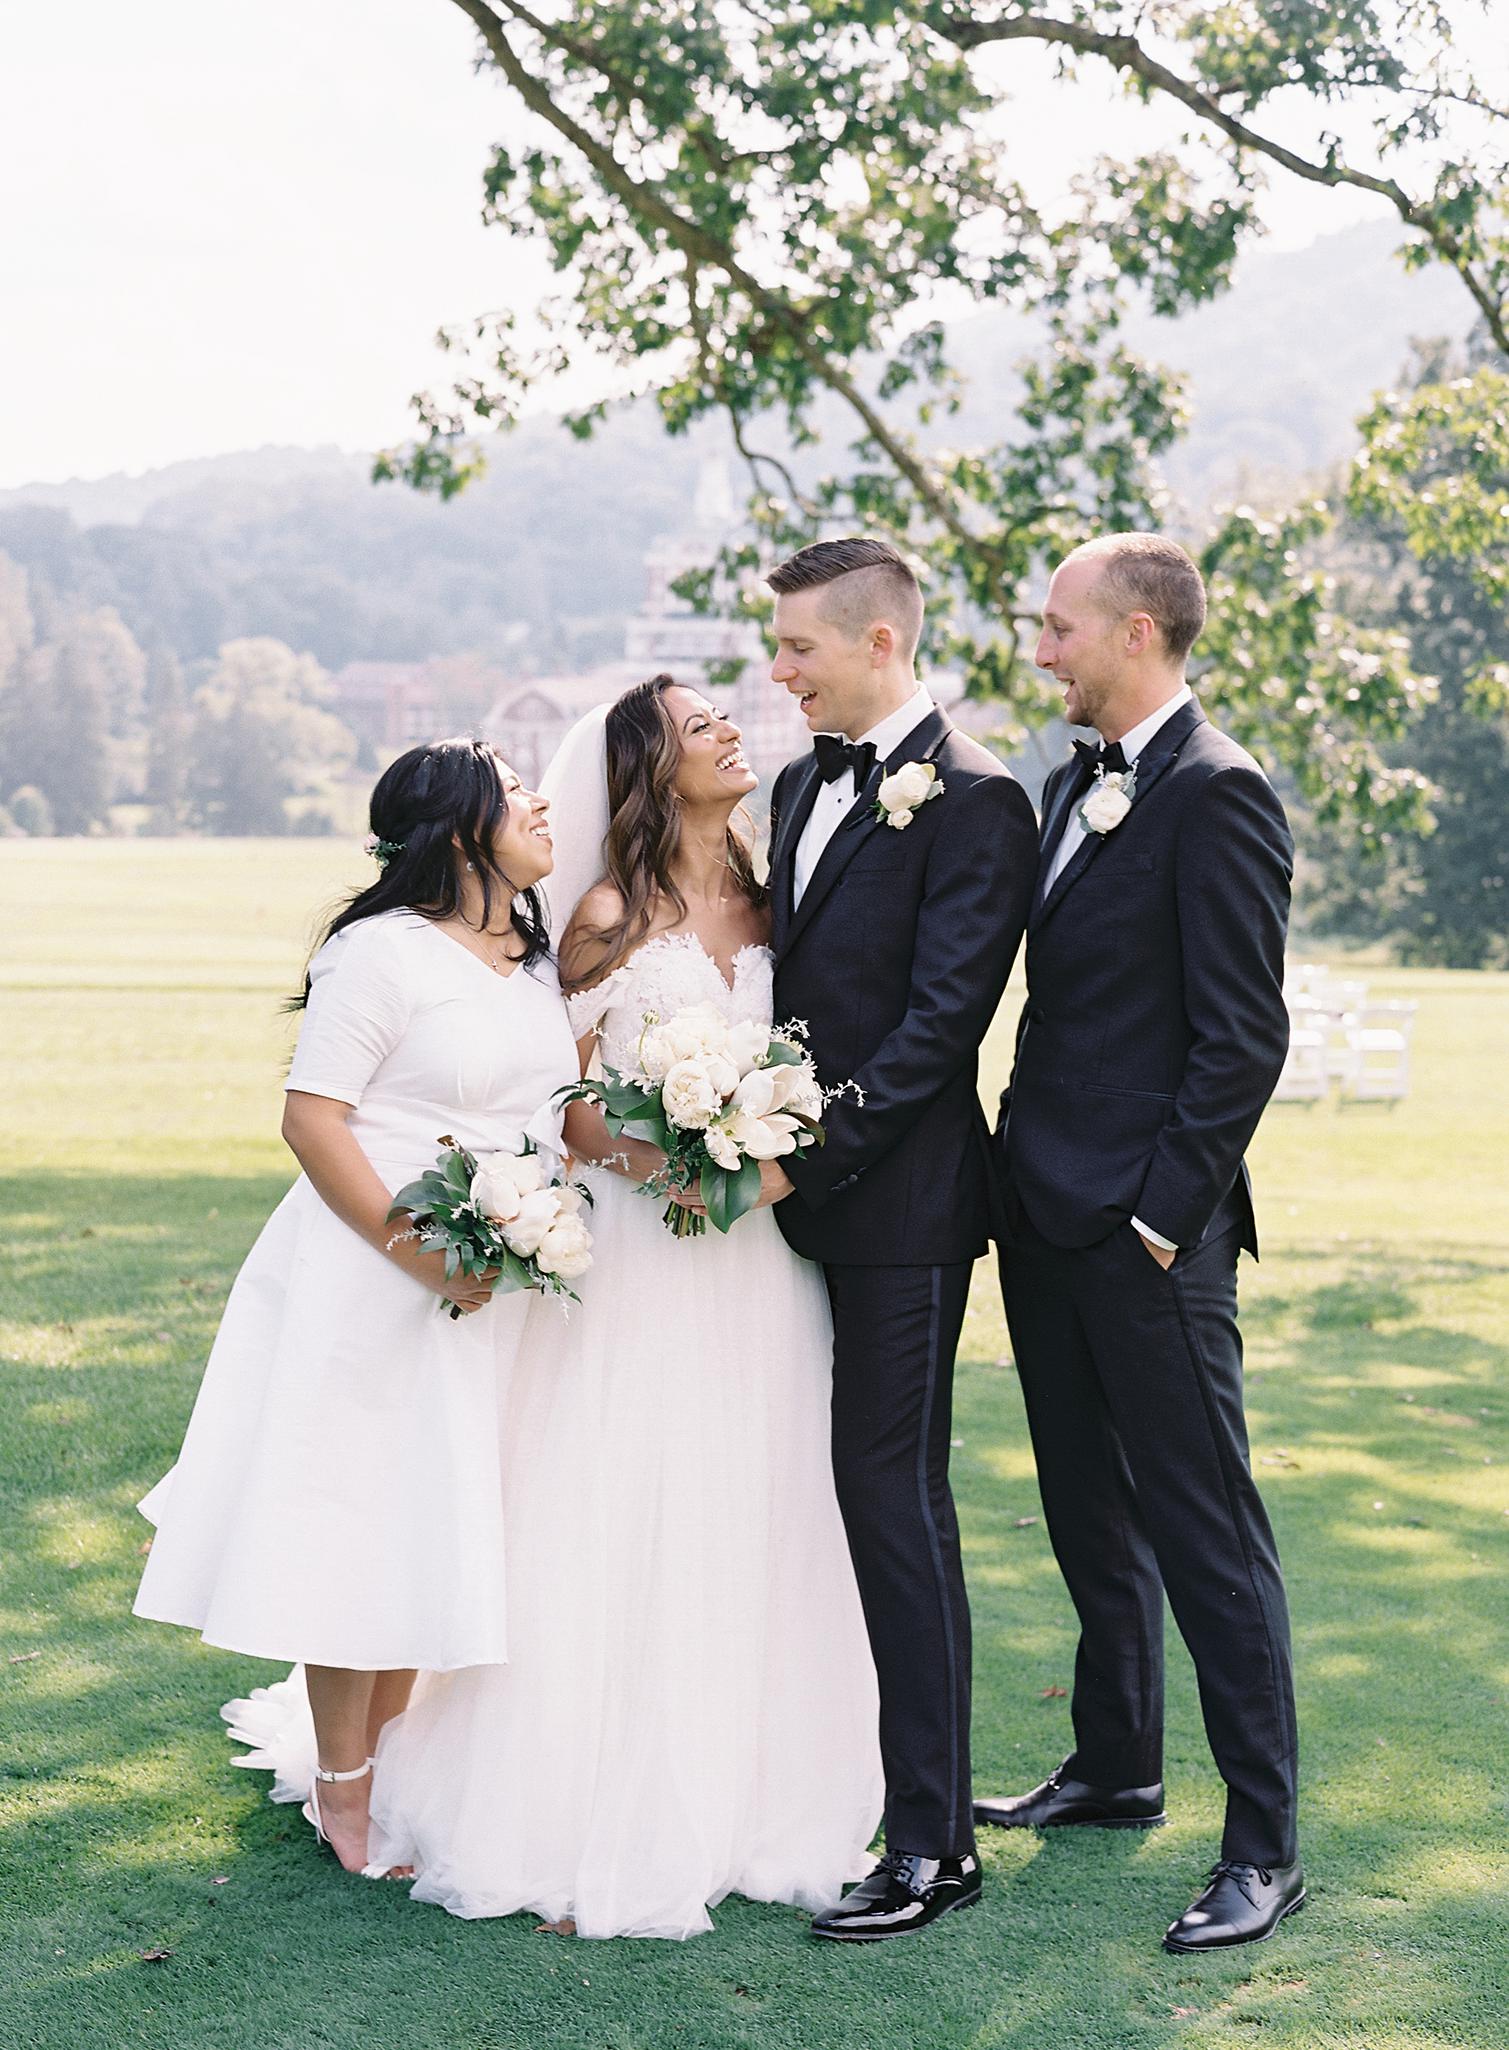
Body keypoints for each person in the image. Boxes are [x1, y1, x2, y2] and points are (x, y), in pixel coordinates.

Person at [360, 676, 883, 1938]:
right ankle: (571, 1780)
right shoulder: (605, 912)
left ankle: (753, 1775)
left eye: (726, 716)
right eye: (701, 723)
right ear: (652, 766)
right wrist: (678, 1160)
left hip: (761, 1257)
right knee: (616, 1490)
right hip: (648, 1252)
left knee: (757, 1491)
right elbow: (569, 1098)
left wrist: (749, 1157)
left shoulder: (780, 907)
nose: (730, 730)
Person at [133, 738, 578, 1875]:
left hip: (491, 1279)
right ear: (460, 825)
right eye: (514, 789)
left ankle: (390, 1758)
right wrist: (416, 1250)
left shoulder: (529, 959)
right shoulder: (378, 953)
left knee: (434, 1522)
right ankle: (343, 1788)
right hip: (371, 1273)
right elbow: (314, 1119)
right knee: (360, 1527)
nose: (540, 800)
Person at [980, 533, 1304, 1954]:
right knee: (1084, 1513)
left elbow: (1242, 1038)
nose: (1042, 651)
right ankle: (1116, 1765)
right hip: (1040, 1214)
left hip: (1147, 1234)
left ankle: (1263, 1844)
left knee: (1206, 1533)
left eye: (1059, 628)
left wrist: (1164, 1219)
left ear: (1132, 633)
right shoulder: (1075, 780)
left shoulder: (1219, 792)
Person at [762, 538, 1038, 1942]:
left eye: (800, 648)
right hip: (787, 1205)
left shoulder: (981, 797)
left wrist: (803, 1154)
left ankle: (934, 1845)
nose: (778, 669)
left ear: (879, 643)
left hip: (905, 1212)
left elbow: (944, 1025)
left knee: (894, 1498)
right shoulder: (800, 783)